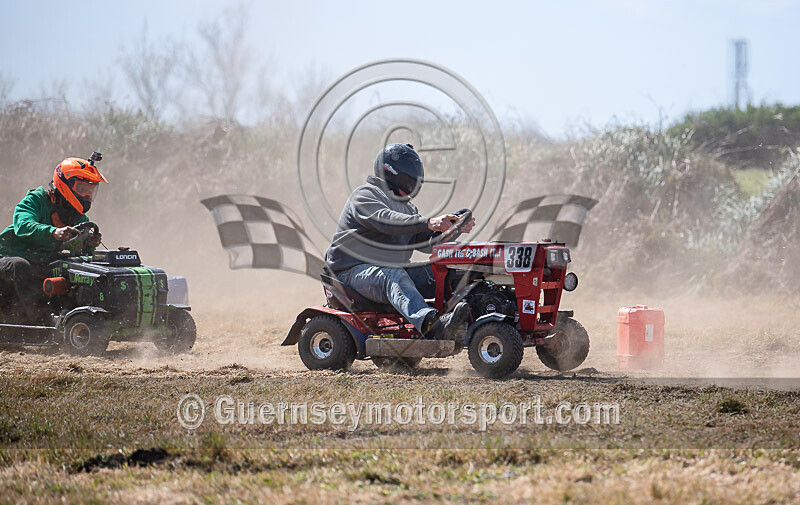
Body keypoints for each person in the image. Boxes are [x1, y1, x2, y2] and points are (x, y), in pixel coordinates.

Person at [325, 143, 476, 340]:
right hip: (349, 274)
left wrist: (453, 229)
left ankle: (474, 318)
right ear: (393, 173)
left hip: (387, 271)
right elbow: (386, 221)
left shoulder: (408, 209)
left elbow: (427, 243)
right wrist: (429, 222)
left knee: (440, 271)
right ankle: (431, 324)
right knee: (392, 274)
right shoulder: (365, 195)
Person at [0, 157, 108, 322]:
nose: (87, 195)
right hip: (6, 259)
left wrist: (88, 244)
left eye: (91, 191)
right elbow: (22, 225)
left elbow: (77, 251)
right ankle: (39, 324)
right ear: (65, 184)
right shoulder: (36, 199)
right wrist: (53, 232)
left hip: (43, 264)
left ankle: (73, 317)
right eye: (83, 189)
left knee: (77, 269)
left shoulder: (79, 217)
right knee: (19, 265)